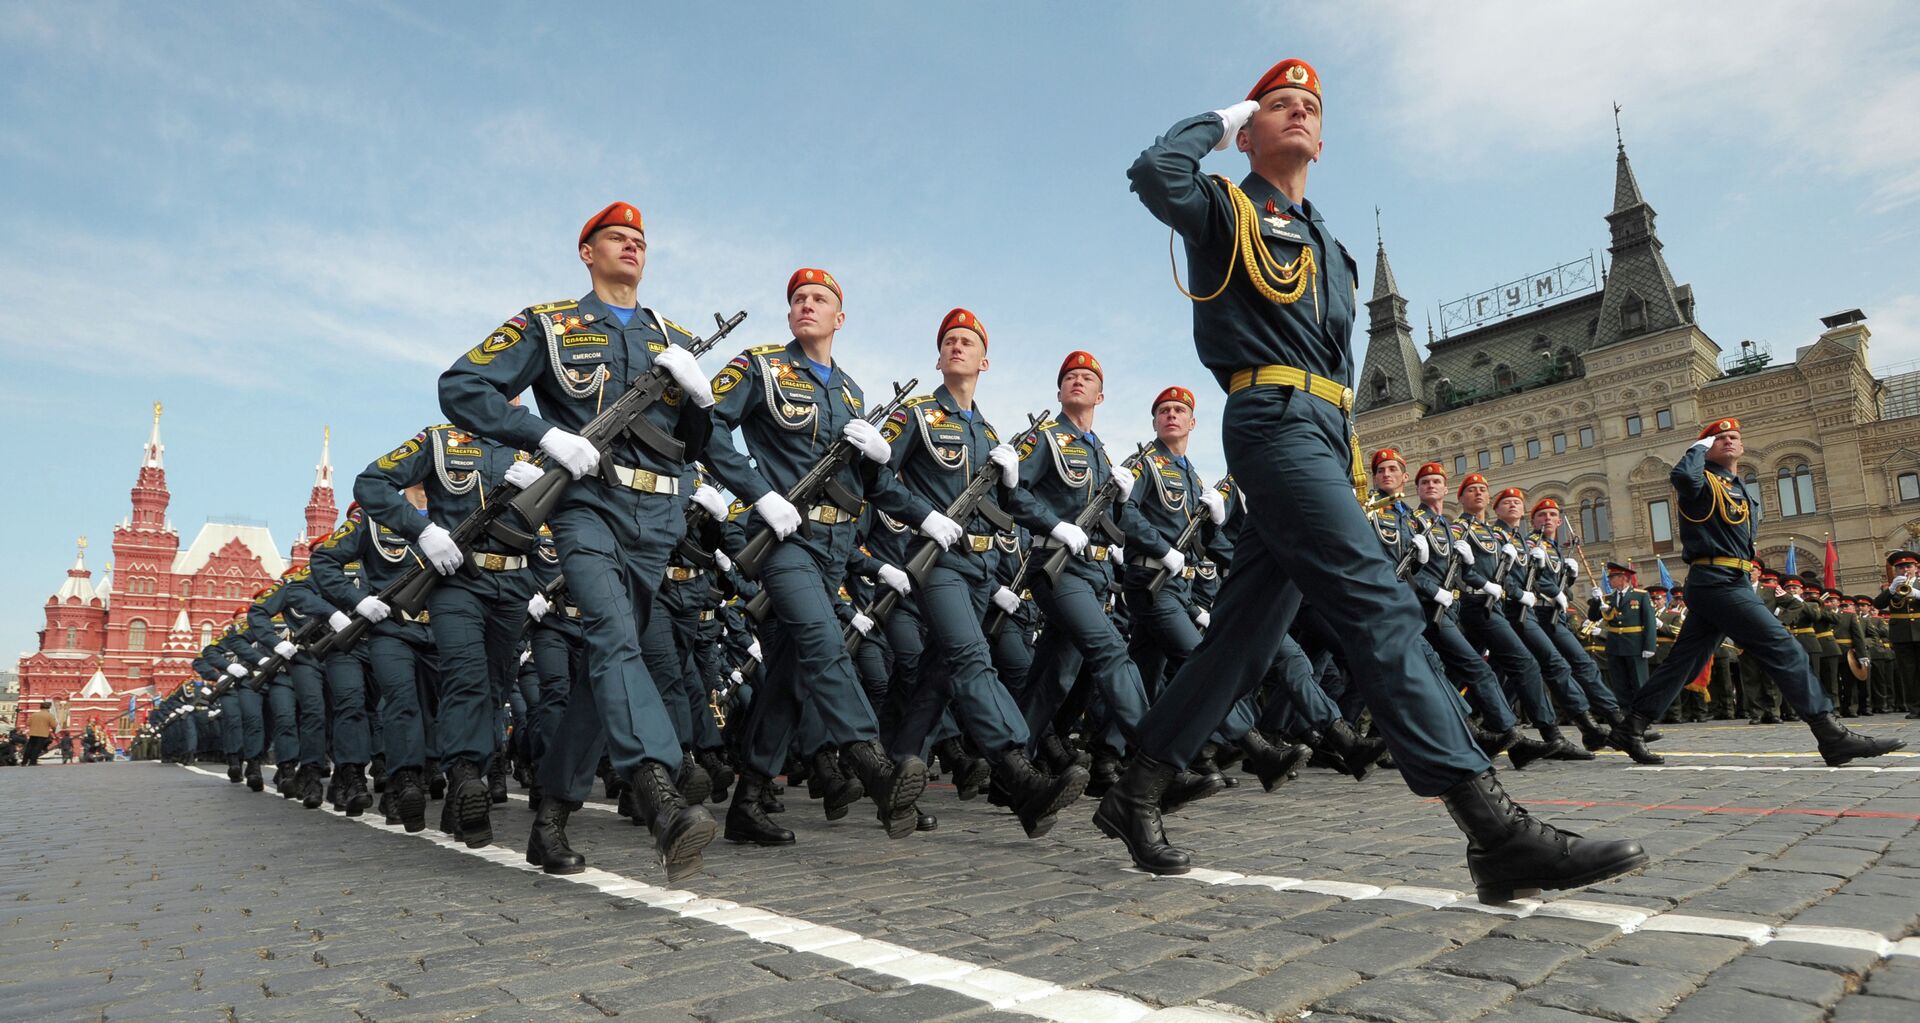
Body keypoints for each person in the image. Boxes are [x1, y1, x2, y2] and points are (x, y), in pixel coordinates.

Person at [1107, 56, 1646, 902]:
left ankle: (1135, 786)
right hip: (1272, 421)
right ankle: (1493, 830)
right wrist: (1219, 117)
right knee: (1377, 602)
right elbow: (1153, 171)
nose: (1296, 113)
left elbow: (1340, 364)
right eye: (1276, 105)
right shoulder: (1224, 208)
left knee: (1242, 639)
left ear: (1322, 136)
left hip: (1325, 435)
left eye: (1307, 107)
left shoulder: (1331, 246)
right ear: (1248, 131)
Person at [439, 201, 721, 880]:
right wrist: (543, 435)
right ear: (587, 252)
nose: (630, 246)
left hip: (657, 521)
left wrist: (704, 407)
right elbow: (462, 386)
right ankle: (659, 793)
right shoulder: (550, 324)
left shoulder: (674, 338)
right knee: (614, 638)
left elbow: (690, 447)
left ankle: (552, 815)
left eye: (639, 241)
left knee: (605, 675)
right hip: (587, 505)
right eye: (615, 238)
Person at [1609, 418, 1904, 765]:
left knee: (1683, 665)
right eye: (1719, 439)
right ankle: (1831, 735)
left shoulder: (1741, 488)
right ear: (1706, 448)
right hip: (1715, 578)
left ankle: (1630, 728)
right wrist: (1697, 448)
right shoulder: (1701, 482)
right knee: (1785, 648)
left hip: (1730, 579)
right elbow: (1681, 478)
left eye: (1734, 437)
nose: (1729, 441)